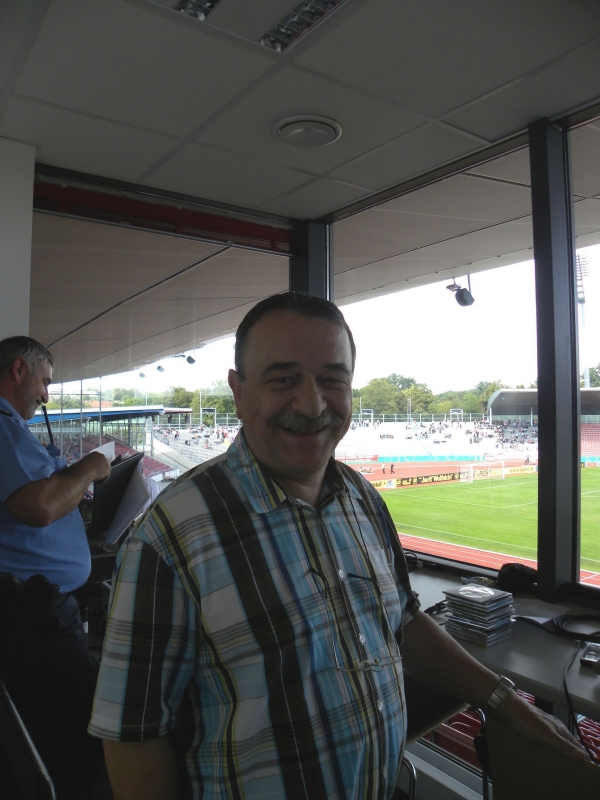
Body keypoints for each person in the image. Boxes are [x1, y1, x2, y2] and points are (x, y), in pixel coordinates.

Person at [90, 294, 587, 800]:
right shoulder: (170, 536)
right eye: (283, 380)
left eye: (332, 380)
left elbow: (404, 621)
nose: (312, 405)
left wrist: (507, 703)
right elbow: (133, 735)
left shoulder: (361, 497)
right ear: (238, 391)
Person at [0, 336, 111, 799]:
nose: (46, 395)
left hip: (36, 609)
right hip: (29, 615)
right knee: (83, 734)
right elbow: (39, 506)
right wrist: (90, 468)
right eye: (45, 382)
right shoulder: (2, 426)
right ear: (19, 371)